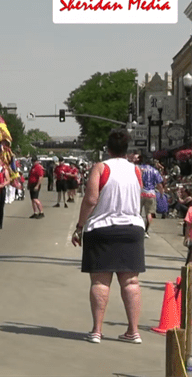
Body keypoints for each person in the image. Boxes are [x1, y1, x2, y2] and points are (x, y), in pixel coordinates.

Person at [73, 128, 145, 345]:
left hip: (102, 228)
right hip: (132, 227)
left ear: (108, 149)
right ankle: (133, 331)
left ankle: (97, 330)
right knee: (130, 281)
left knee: (100, 281)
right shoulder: (136, 170)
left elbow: (91, 199)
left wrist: (80, 226)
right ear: (126, 149)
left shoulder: (101, 168)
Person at [137, 155, 163, 238]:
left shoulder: (138, 168)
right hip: (151, 194)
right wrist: (162, 193)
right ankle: (146, 231)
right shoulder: (155, 171)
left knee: (138, 212)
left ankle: (138, 229)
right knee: (149, 213)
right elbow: (159, 184)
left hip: (140, 193)